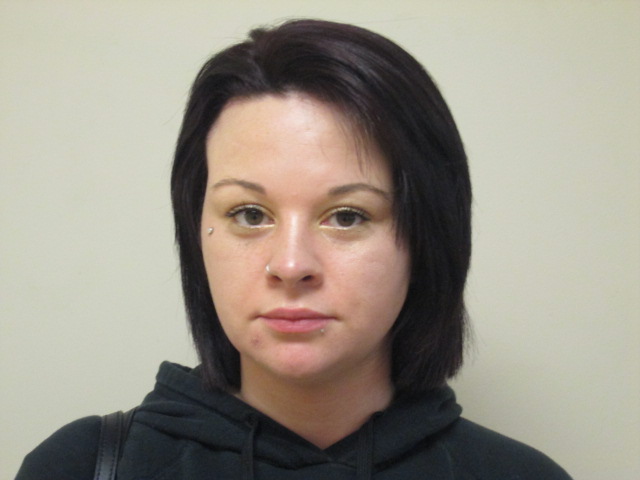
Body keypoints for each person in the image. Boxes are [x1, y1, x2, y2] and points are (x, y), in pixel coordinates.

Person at [16, 19, 572, 479]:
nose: (290, 265)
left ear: (427, 239)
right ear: (196, 233)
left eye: (347, 216)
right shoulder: (81, 466)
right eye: (249, 214)